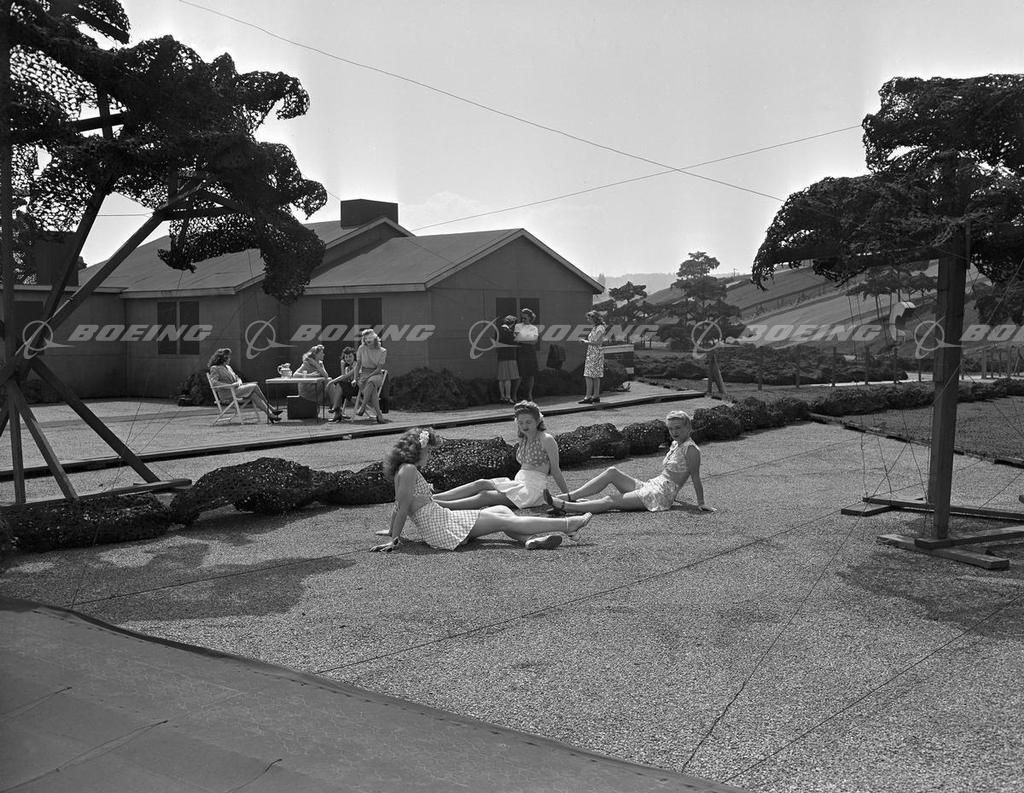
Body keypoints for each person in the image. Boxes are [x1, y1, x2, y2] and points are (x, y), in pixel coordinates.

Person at [370, 427, 593, 553]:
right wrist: (394, 539)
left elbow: (399, 504)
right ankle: (568, 525)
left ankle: (530, 539)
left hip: (442, 520)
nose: (429, 456)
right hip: (441, 525)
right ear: (415, 450)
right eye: (428, 451)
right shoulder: (409, 469)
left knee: (502, 511)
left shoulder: (403, 469)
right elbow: (403, 506)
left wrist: (391, 532)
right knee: (505, 520)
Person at [544, 411, 715, 514]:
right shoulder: (676, 444)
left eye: (678, 428)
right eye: (671, 428)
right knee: (612, 472)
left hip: (660, 496)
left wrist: (701, 503)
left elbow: (695, 477)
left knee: (611, 500)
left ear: (688, 427)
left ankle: (566, 506)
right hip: (652, 485)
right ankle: (570, 496)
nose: (674, 432)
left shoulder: (691, 450)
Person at [432, 401, 570, 510]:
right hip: (518, 483)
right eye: (521, 422)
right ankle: (433, 498)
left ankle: (439, 505)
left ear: (538, 421)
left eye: (528, 422)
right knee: (481, 483)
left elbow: (556, 470)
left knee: (485, 496)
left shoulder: (546, 439)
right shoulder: (523, 438)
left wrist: (569, 496)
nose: (524, 426)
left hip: (532, 490)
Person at [207, 347, 282, 423]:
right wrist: (230, 386)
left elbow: (237, 378)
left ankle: (270, 414)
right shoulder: (215, 368)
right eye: (228, 357)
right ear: (223, 358)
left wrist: (238, 382)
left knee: (254, 395)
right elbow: (214, 382)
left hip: (236, 390)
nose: (229, 359)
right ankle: (271, 407)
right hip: (227, 393)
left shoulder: (228, 367)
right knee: (254, 386)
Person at [353, 328, 388, 424]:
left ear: (375, 338)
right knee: (372, 390)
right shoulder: (361, 348)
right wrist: (355, 379)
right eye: (365, 338)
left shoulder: (382, 351)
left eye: (369, 338)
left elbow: (378, 369)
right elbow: (358, 365)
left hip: (376, 374)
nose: (367, 340)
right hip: (363, 374)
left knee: (371, 381)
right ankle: (379, 414)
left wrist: (368, 376)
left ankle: (363, 406)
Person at [579, 309, 606, 404]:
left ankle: (588, 397)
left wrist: (585, 342)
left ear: (594, 318)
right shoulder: (596, 327)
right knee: (595, 376)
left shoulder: (600, 328)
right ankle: (596, 396)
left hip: (595, 353)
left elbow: (597, 342)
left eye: (589, 318)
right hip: (592, 352)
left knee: (588, 375)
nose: (588, 320)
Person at [326, 346, 359, 421]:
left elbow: (345, 376)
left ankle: (335, 408)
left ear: (354, 357)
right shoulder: (347, 368)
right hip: (350, 388)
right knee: (338, 387)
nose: (348, 359)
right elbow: (344, 378)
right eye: (346, 357)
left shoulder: (356, 365)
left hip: (357, 388)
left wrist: (331, 382)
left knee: (339, 385)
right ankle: (337, 412)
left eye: (350, 356)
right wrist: (342, 366)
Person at [293, 344, 331, 409]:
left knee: (330, 381)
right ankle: (335, 407)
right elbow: (295, 375)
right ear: (315, 354)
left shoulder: (320, 363)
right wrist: (310, 375)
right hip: (307, 390)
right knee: (329, 382)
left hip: (316, 388)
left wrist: (316, 364)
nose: (323, 354)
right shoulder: (306, 363)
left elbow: (326, 376)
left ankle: (335, 407)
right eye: (321, 353)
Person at [514, 307, 539, 402]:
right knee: (520, 374)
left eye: (525, 318)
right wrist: (528, 339)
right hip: (521, 352)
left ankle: (529, 395)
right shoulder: (518, 326)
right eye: (522, 318)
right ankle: (514, 395)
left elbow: (534, 341)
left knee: (531, 374)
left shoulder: (534, 328)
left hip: (531, 352)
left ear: (529, 318)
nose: (523, 320)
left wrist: (523, 339)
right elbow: (517, 339)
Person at [496, 315, 520, 405]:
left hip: (501, 356)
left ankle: (502, 396)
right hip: (510, 356)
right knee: (508, 378)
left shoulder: (498, 330)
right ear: (512, 323)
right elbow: (515, 341)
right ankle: (508, 397)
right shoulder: (509, 332)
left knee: (501, 378)